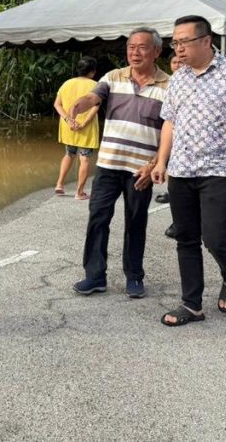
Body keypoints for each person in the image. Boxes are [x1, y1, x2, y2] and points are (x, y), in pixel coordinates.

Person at [151, 15, 226, 326]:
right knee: (186, 238)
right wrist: (162, 161)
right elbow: (170, 122)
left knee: (215, 238)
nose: (177, 48)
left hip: (219, 168)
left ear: (205, 41)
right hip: (181, 169)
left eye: (183, 41)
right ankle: (191, 305)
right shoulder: (179, 78)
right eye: (174, 42)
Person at [69, 28, 170, 298]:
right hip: (109, 164)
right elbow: (95, 95)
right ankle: (94, 275)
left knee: (136, 222)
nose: (134, 52)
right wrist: (81, 103)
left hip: (141, 169)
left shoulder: (168, 86)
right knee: (98, 217)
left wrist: (157, 164)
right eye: (130, 47)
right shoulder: (113, 77)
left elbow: (173, 131)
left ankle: (134, 277)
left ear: (156, 51)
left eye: (142, 47)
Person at [54, 57, 100, 200]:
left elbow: (57, 104)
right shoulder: (96, 85)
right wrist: (84, 123)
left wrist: (68, 120)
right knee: (84, 158)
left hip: (69, 127)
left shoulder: (66, 83)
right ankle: (79, 193)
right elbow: (95, 107)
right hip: (85, 129)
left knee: (69, 154)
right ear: (93, 71)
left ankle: (59, 185)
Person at [155, 54, 184, 209]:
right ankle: (169, 190)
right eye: (174, 62)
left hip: (181, 131)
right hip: (164, 125)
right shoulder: (165, 81)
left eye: (180, 62)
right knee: (167, 161)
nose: (177, 64)